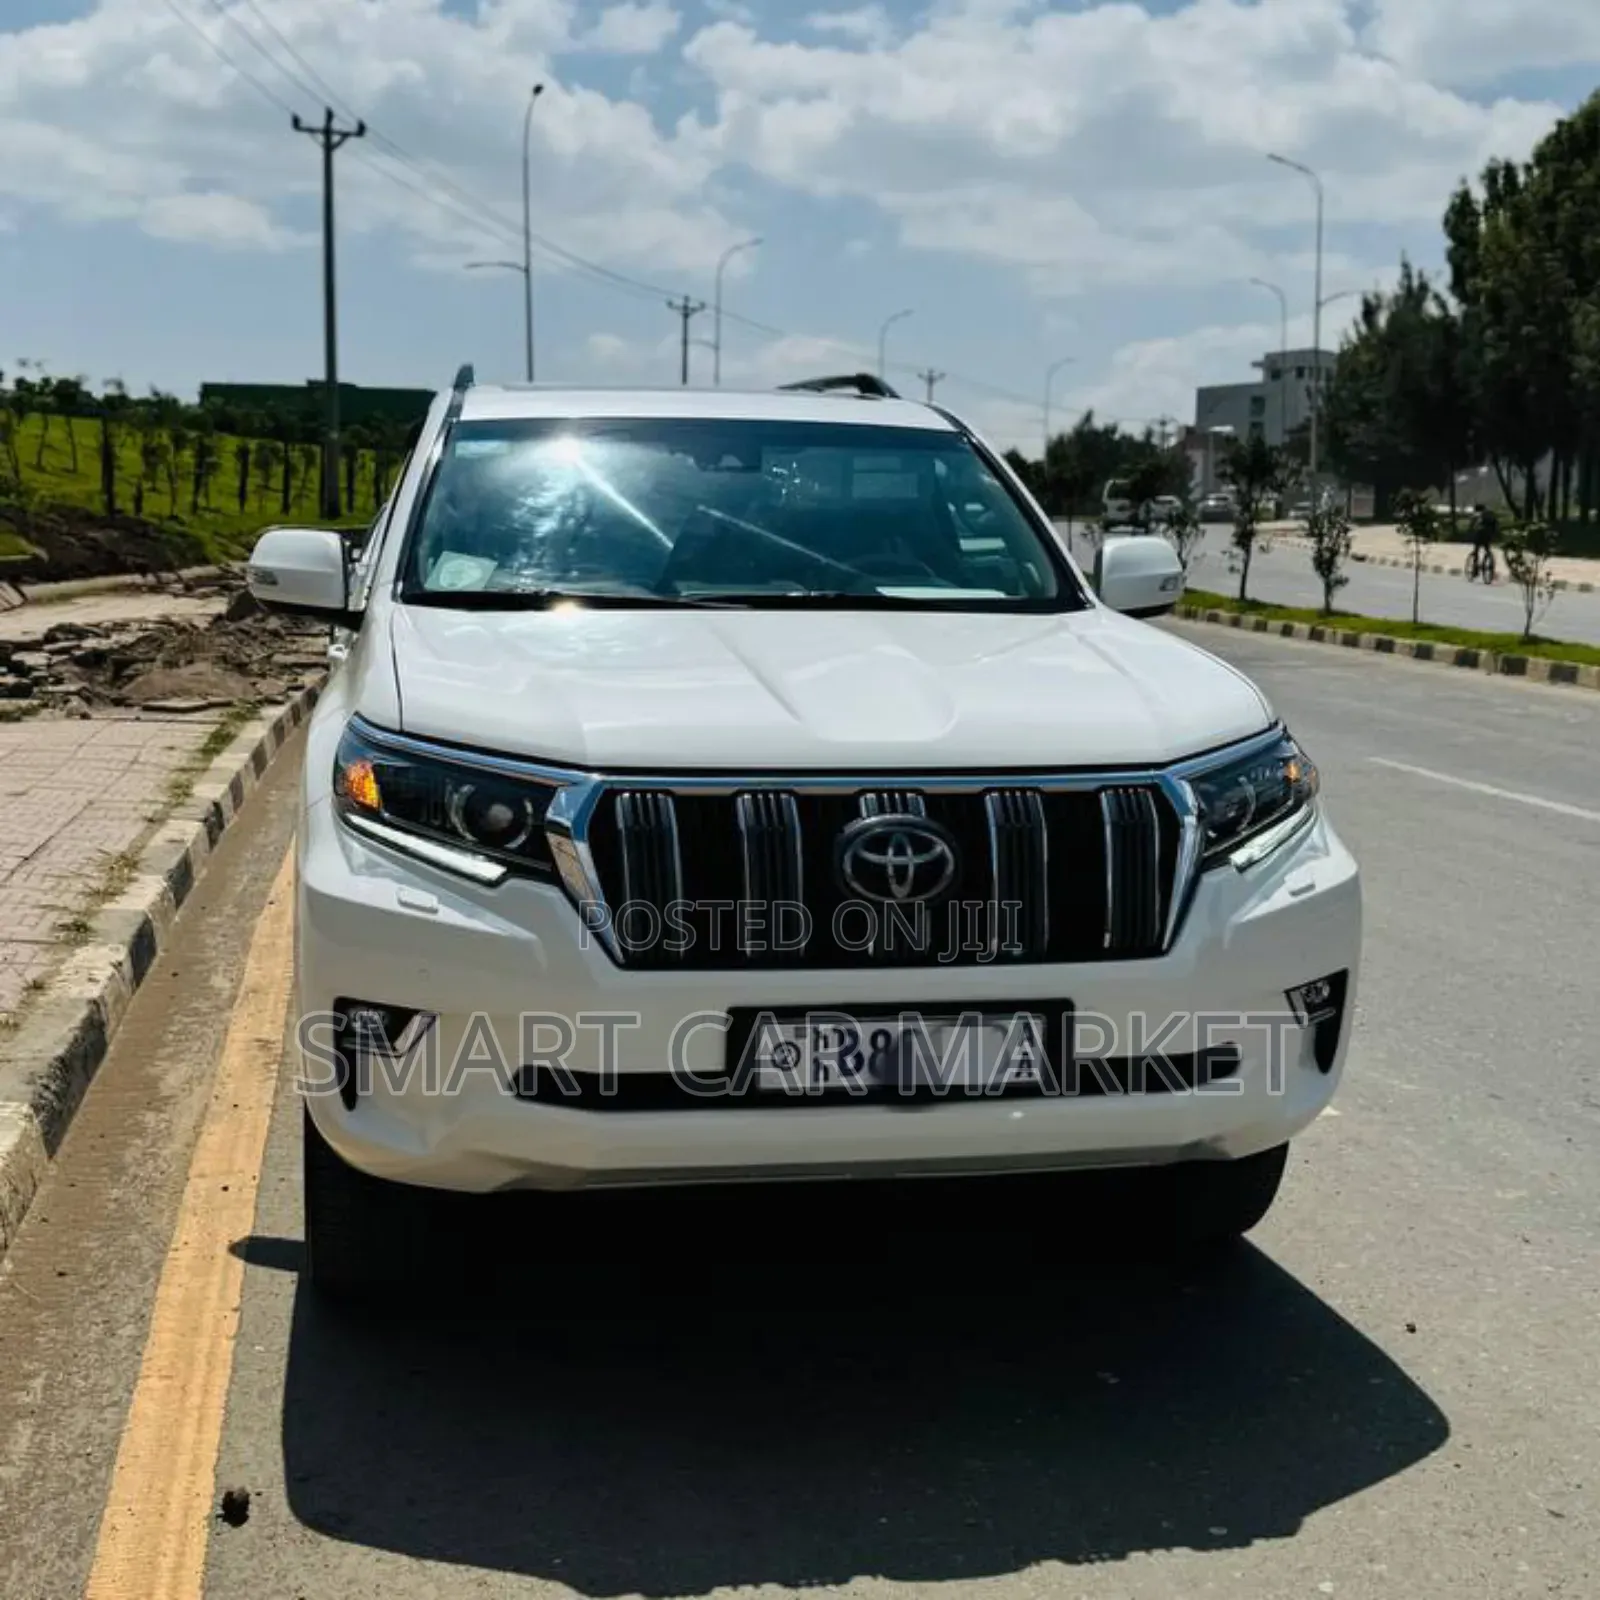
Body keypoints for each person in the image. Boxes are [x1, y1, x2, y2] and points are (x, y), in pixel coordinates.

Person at [1468, 503, 1498, 582]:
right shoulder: (1491, 514)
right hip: (1489, 535)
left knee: (1476, 551)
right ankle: (1489, 559)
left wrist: (1470, 532)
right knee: (1487, 549)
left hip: (1480, 535)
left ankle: (1475, 569)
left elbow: (1472, 526)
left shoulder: (1477, 515)